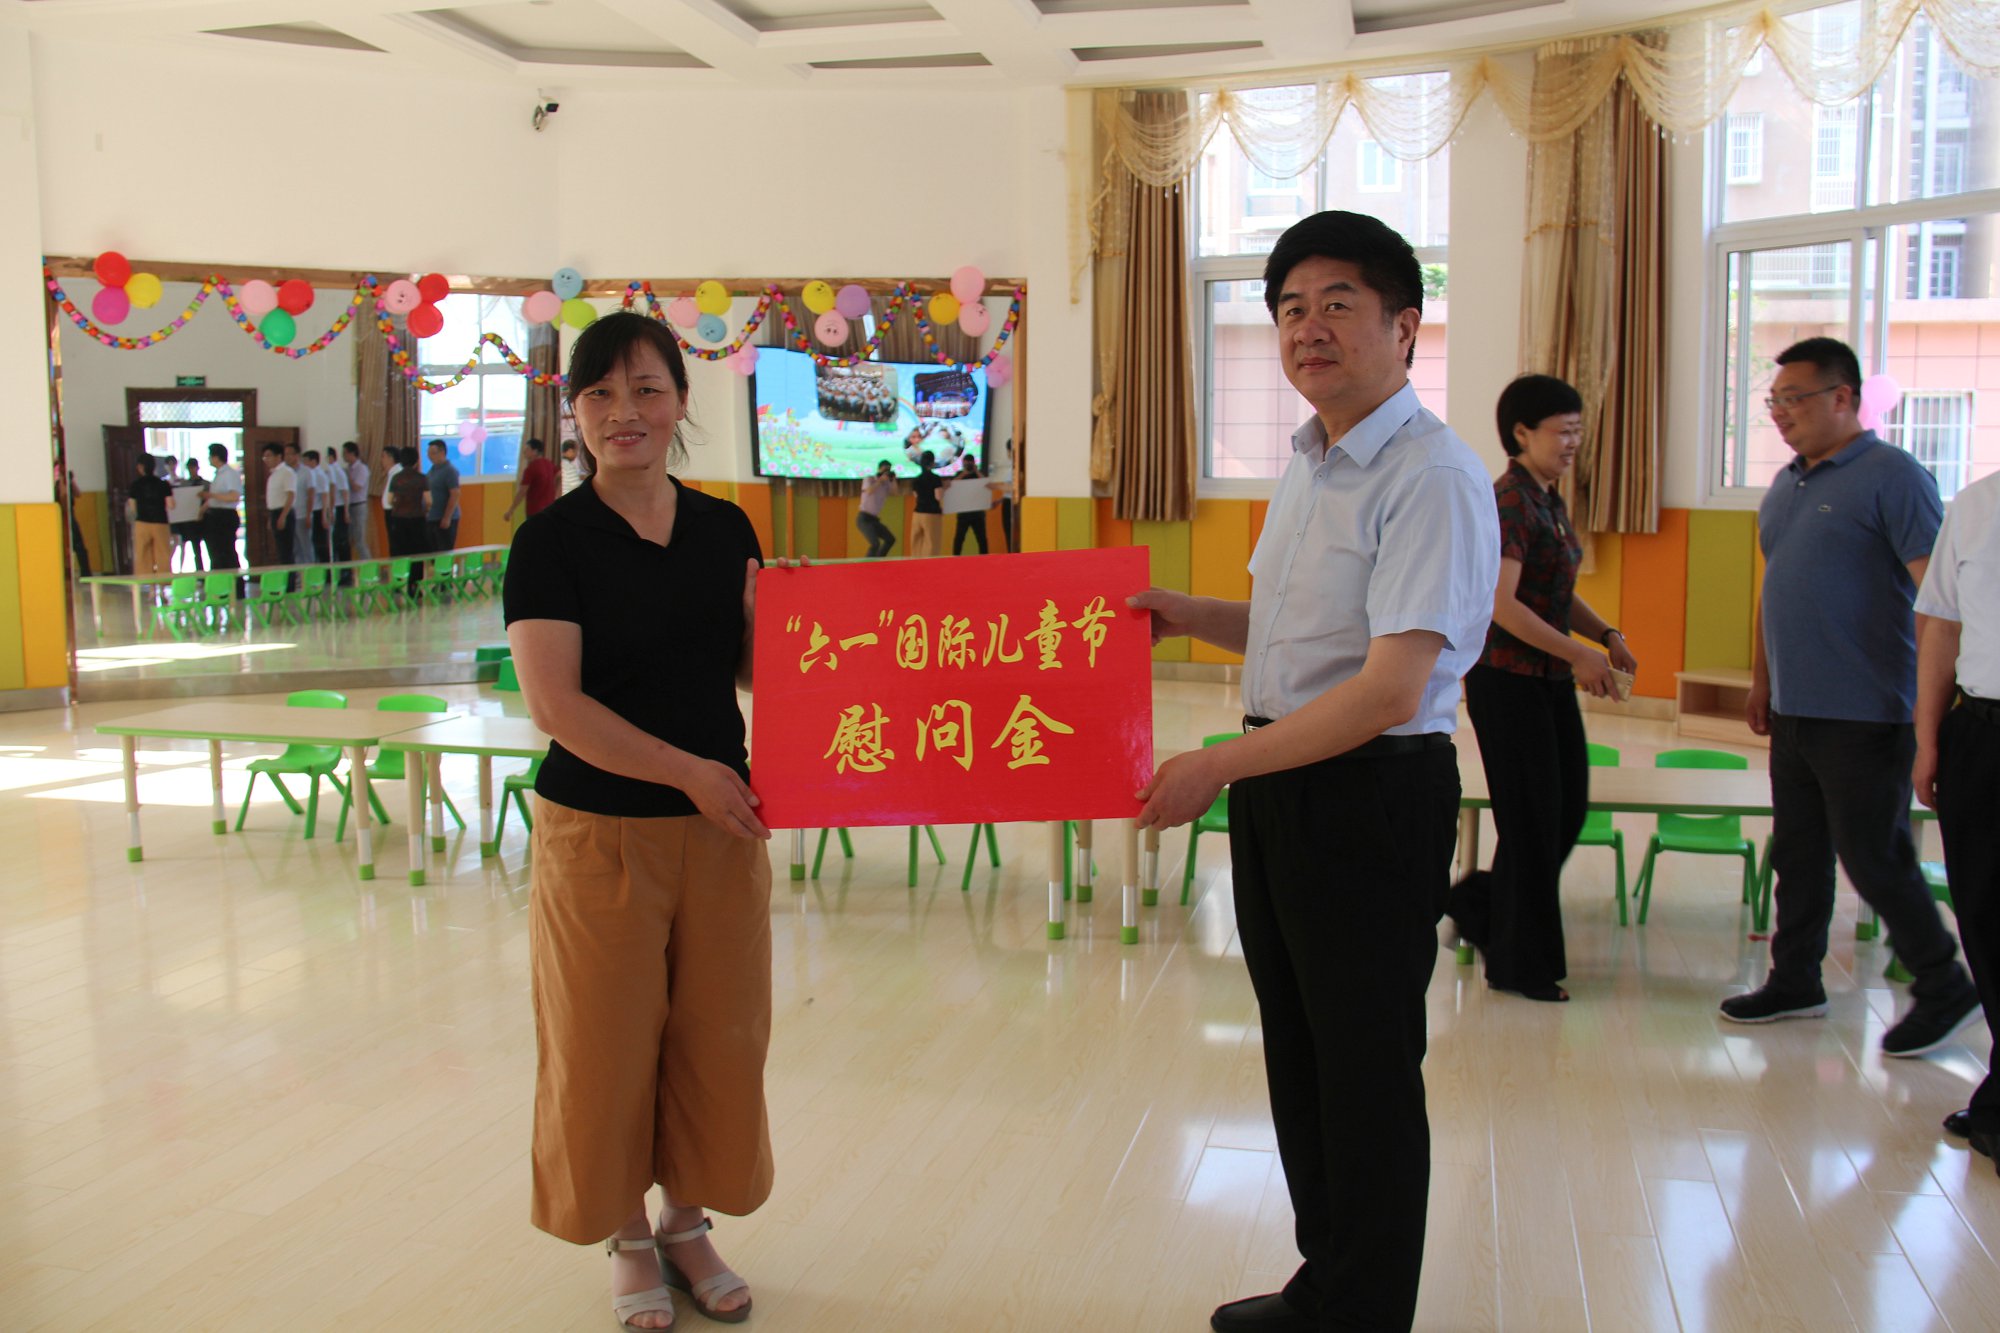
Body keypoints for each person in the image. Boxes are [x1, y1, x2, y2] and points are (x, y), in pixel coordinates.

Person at [1129, 211, 1498, 1333]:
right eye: (1290, 308)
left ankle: (1365, 1309)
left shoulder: (1429, 476)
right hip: (1287, 785)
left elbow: (1387, 688)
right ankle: (1326, 1282)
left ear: (1404, 325)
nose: (1307, 328)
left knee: (1364, 1066)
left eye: (1338, 303)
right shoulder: (1310, 461)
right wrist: (1186, 613)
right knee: (1300, 1050)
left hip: (1369, 791)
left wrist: (1216, 763)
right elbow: (1298, 633)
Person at [503, 312, 771, 1332]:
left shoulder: (725, 528)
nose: (626, 412)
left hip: (721, 828)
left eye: (647, 389)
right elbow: (556, 705)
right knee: (604, 1043)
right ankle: (626, 1236)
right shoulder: (549, 543)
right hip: (600, 830)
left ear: (681, 402)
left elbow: (749, 671)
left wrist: (795, 626)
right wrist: (687, 772)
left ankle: (687, 1224)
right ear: (573, 411)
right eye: (601, 393)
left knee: (719, 1036)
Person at [1725, 336, 1979, 1054]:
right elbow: (1775, 590)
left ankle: (1943, 980)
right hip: (1796, 710)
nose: (1781, 413)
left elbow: (1939, 601)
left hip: (1867, 710)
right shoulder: (1787, 484)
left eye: (1794, 399)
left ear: (1843, 397)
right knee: (1798, 854)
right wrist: (1763, 680)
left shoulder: (1894, 477)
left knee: (1873, 855)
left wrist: (1933, 713)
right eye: (1774, 401)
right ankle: (1795, 980)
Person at [1447, 375, 1637, 1002]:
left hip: (1548, 678)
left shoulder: (1547, 499)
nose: (1574, 442)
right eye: (1563, 431)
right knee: (1531, 824)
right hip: (1508, 681)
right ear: (1522, 433)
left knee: (1564, 812)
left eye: (1579, 430)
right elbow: (1501, 604)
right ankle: (1519, 965)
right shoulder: (1509, 501)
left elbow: (1554, 590)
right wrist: (1578, 653)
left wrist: (1604, 634)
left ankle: (1480, 907)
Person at [1915, 466, 2000, 1165]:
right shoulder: (1975, 506)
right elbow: (1942, 626)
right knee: (1984, 911)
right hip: (1982, 732)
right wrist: (1928, 738)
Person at [388, 446, 430, 589]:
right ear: (416, 461)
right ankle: (415, 585)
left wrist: (397, 505)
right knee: (417, 555)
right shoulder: (422, 478)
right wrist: (425, 510)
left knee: (400, 552)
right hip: (417, 519)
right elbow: (429, 501)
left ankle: (398, 583)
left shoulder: (396, 478)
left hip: (399, 519)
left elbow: (389, 500)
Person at [128, 454, 174, 576]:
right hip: (160, 522)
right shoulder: (163, 484)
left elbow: (133, 508)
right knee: (163, 553)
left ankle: (147, 583)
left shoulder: (135, 485)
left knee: (143, 554)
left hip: (142, 522)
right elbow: (171, 505)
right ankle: (164, 582)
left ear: (140, 467)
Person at [201, 444, 242, 580]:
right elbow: (213, 499)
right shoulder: (218, 474)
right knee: (216, 553)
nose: (208, 459)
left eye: (210, 456)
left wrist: (211, 495)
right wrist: (202, 510)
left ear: (216, 457)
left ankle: (235, 585)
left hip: (225, 516)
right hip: (215, 516)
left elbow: (234, 496)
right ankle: (219, 584)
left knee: (227, 552)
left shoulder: (229, 474)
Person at [506, 437, 561, 523]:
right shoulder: (549, 464)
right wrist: (557, 493)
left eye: (527, 449)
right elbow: (560, 474)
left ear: (535, 451)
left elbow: (522, 492)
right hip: (550, 509)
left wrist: (510, 510)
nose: (524, 452)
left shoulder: (531, 469)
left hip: (535, 511)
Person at [262, 442, 297, 574]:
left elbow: (291, 495)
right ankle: (284, 579)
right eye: (264, 457)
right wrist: (271, 518)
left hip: (284, 512)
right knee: (280, 549)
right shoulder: (273, 474)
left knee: (286, 550)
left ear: (278, 457)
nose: (266, 459)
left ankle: (290, 581)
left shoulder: (287, 472)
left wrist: (283, 516)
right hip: (275, 513)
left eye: (269, 456)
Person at [948, 454, 991, 555]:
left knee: (982, 538)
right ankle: (955, 558)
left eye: (970, 463)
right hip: (963, 512)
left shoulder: (978, 474)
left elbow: (986, 484)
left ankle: (985, 558)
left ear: (974, 463)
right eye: (966, 463)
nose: (968, 465)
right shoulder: (960, 474)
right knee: (959, 538)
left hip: (977, 512)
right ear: (963, 464)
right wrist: (964, 473)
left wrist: (976, 471)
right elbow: (952, 485)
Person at [171, 457, 207, 572]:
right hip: (188, 520)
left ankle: (202, 572)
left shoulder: (205, 484)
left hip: (202, 519)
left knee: (201, 548)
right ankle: (185, 570)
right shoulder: (184, 484)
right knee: (188, 547)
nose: (191, 470)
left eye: (193, 468)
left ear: (197, 468)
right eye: (189, 468)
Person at [426, 438, 461, 555]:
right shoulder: (432, 470)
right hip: (432, 517)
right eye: (428, 453)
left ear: (442, 453)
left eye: (433, 453)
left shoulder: (450, 471)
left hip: (444, 519)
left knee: (444, 552)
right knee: (432, 552)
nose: (429, 456)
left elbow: (455, 494)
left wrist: (447, 517)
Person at [908, 449, 944, 559]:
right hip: (931, 514)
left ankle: (916, 564)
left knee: (916, 542)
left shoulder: (916, 479)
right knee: (931, 542)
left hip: (917, 513)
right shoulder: (935, 478)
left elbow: (916, 496)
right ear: (932, 463)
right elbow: (938, 496)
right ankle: (929, 566)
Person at [856, 460, 897, 558]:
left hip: (874, 519)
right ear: (879, 469)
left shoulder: (886, 483)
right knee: (875, 544)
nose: (886, 472)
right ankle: (866, 565)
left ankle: (878, 561)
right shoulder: (869, 479)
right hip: (864, 518)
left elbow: (894, 493)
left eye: (888, 470)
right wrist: (880, 480)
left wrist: (893, 479)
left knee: (890, 539)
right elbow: (869, 491)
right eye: (884, 469)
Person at [55, 466, 91, 577]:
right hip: (62, 516)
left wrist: (71, 481)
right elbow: (63, 498)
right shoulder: (57, 484)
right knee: (68, 545)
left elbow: (78, 494)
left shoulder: (68, 483)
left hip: (71, 516)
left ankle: (86, 572)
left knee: (79, 546)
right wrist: (62, 481)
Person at [283, 443, 313, 565]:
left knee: (306, 546)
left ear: (297, 455)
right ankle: (299, 573)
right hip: (289, 515)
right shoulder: (284, 472)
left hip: (302, 515)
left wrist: (308, 515)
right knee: (294, 548)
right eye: (285, 454)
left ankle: (311, 573)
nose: (287, 457)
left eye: (290, 454)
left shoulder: (306, 472)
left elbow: (311, 495)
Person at [343, 442, 372, 561]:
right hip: (348, 506)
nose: (343, 456)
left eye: (345, 453)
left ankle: (368, 566)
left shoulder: (362, 468)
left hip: (359, 506)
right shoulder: (347, 469)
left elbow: (356, 487)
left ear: (352, 453)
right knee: (348, 539)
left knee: (360, 539)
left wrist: (348, 477)